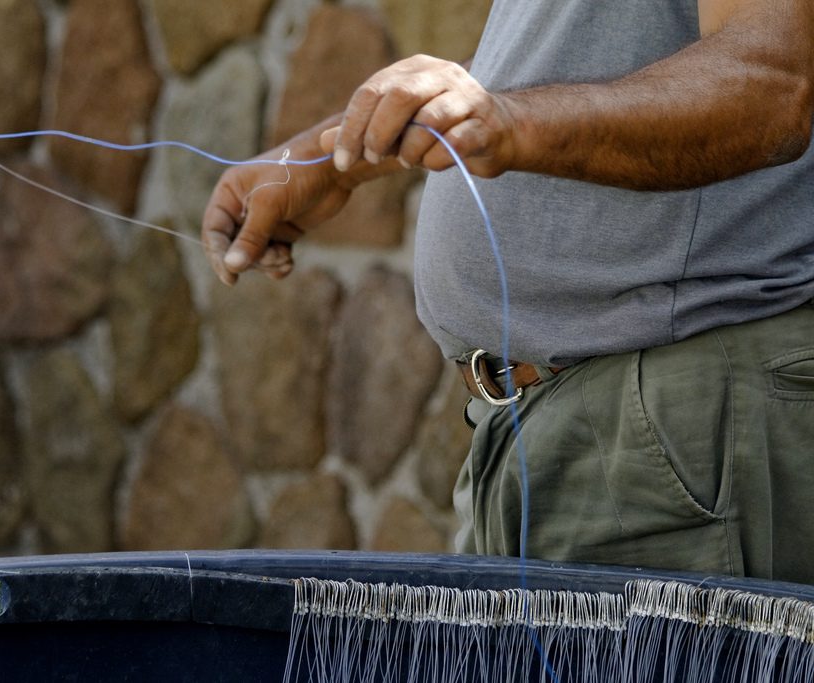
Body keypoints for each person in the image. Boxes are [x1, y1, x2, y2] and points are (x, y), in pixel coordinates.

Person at [201, 0, 814, 583]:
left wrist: (511, 122)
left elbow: (768, 83)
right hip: (556, 428)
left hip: (675, 422)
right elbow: (564, 71)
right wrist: (331, 155)